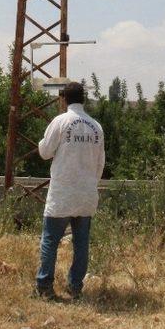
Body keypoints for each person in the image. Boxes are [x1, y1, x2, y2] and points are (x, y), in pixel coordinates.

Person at [35, 81, 105, 300]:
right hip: (86, 193)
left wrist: (41, 142)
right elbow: (100, 163)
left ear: (64, 99)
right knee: (81, 243)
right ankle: (75, 287)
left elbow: (45, 152)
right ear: (83, 99)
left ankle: (45, 287)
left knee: (50, 240)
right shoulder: (96, 126)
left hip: (63, 194)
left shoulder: (61, 121)